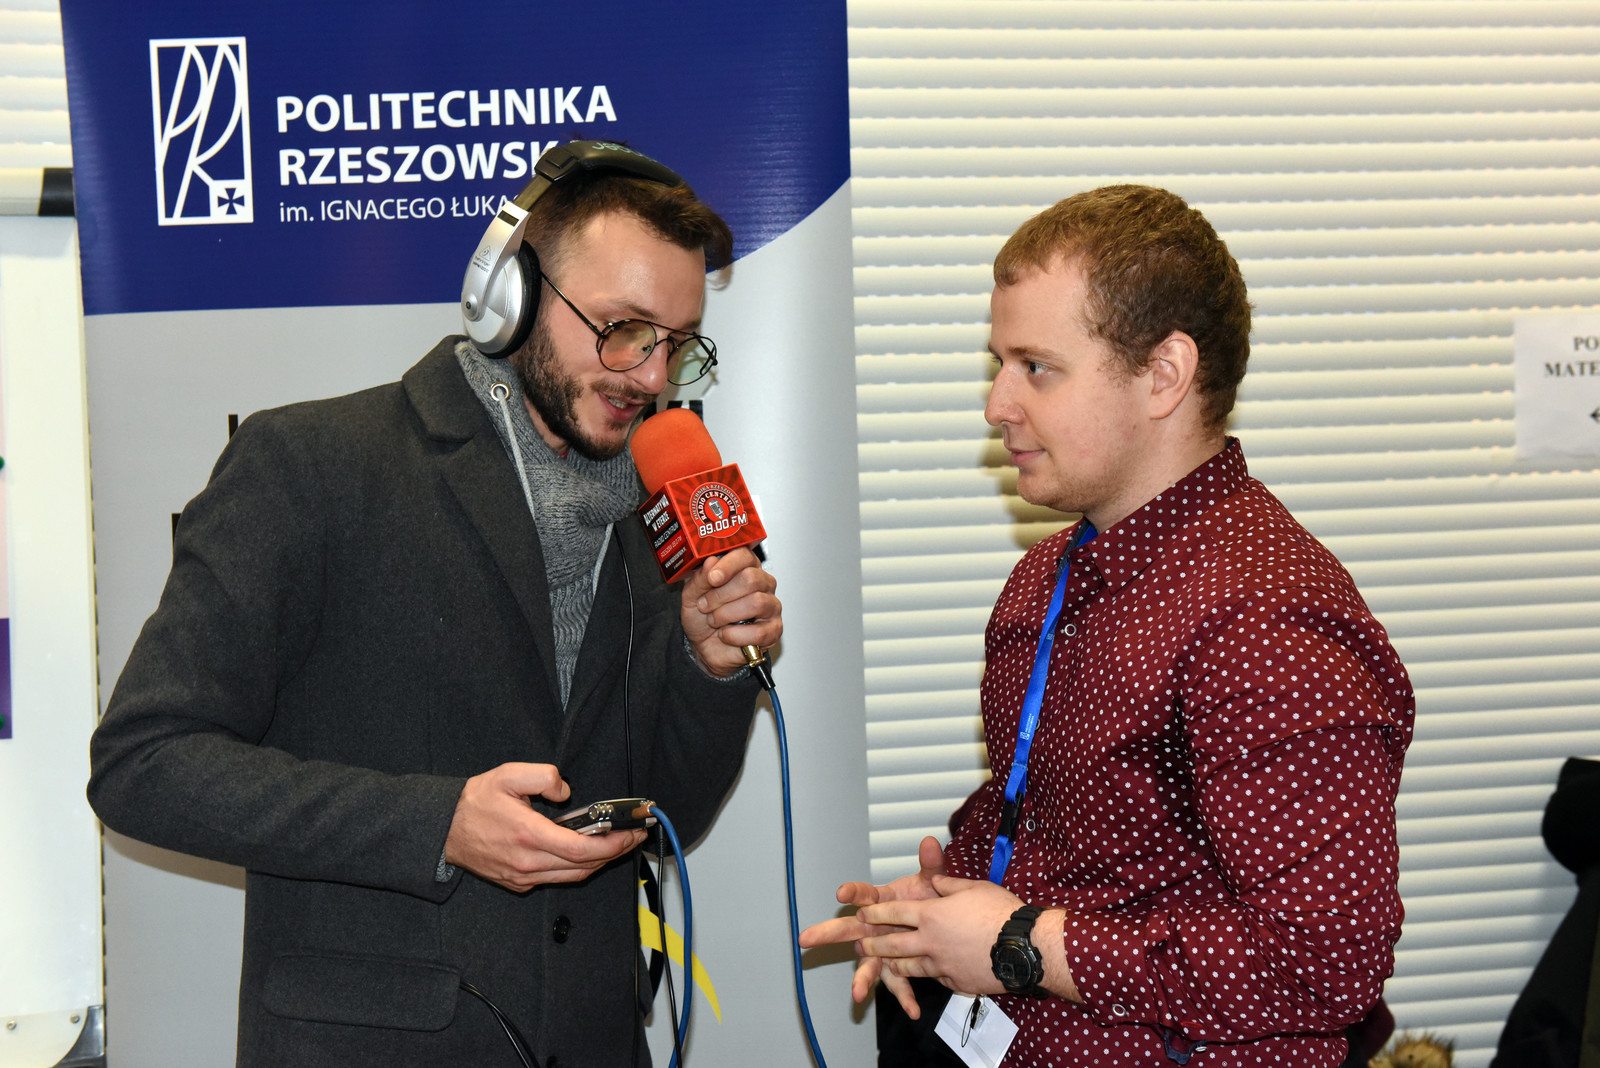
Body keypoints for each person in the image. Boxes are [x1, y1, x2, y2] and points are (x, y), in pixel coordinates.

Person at [87, 144, 782, 1066]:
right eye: (623, 329)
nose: (651, 377)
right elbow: (143, 763)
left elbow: (665, 815)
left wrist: (707, 666)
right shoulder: (312, 467)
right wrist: (437, 825)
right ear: (511, 298)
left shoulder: (650, 512)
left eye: (677, 343)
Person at [801, 184, 1414, 1067]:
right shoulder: (1050, 575)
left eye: (1036, 367)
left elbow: (1323, 963)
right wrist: (945, 904)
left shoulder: (1268, 619)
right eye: (999, 364)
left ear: (1164, 375)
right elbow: (1080, 826)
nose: (997, 404)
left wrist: (1020, 943)